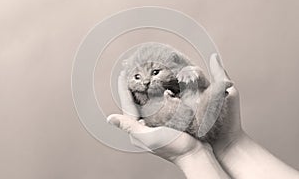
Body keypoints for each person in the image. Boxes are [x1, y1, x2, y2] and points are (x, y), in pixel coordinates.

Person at [107, 54, 299, 179]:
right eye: (138, 77)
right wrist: (231, 143)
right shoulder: (144, 98)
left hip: (195, 114)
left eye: (155, 72)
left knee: (202, 101)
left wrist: (191, 156)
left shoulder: (179, 79)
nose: (147, 81)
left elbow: (194, 91)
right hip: (173, 117)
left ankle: (214, 96)